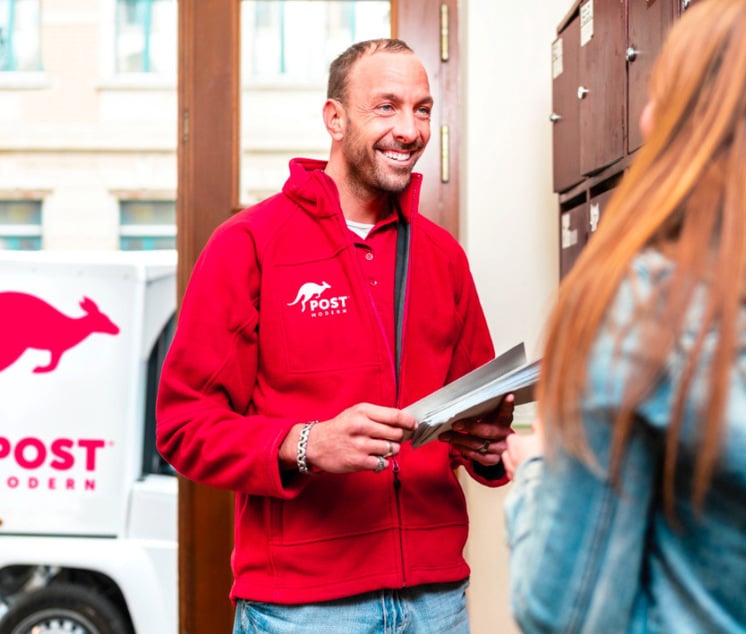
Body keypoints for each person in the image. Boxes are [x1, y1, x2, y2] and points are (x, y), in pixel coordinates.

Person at [502, 0, 746, 632]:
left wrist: (541, 467)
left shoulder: (644, 309)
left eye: (668, 91)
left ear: (699, 120)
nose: (646, 114)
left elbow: (563, 614)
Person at [156, 38, 514, 634]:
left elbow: (470, 408)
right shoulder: (249, 245)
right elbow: (182, 426)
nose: (409, 129)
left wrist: (483, 441)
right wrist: (305, 444)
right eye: (387, 107)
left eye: (422, 109)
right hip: (303, 611)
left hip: (437, 602)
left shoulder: (443, 257)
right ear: (335, 117)